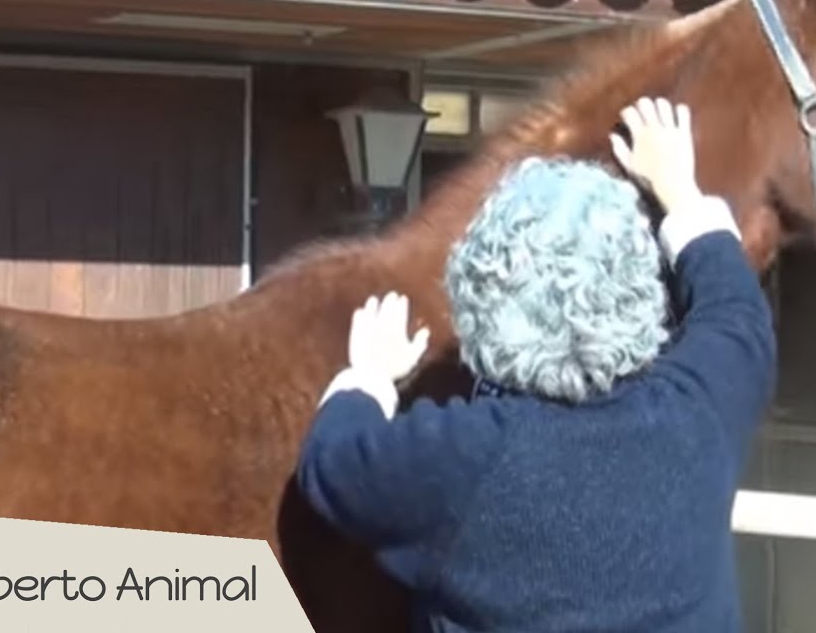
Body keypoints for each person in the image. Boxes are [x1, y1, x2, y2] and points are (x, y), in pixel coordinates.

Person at [295, 97, 777, 633]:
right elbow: (735, 309)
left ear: (479, 299)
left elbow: (332, 467)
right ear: (640, 289)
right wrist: (681, 191)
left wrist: (368, 377)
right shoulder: (699, 408)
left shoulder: (463, 456)